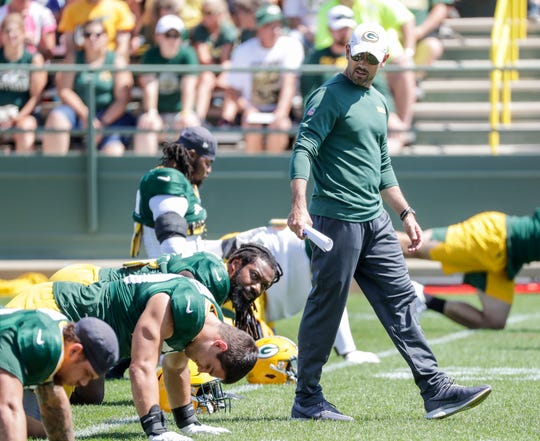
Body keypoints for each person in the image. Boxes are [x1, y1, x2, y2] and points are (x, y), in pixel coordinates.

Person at [286, 22, 491, 421]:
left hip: (375, 222)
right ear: (348, 51)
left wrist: (406, 213)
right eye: (358, 55)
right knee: (327, 307)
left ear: (385, 61)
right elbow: (304, 148)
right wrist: (299, 205)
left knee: (402, 301)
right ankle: (307, 399)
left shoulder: (379, 101)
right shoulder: (327, 95)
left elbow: (382, 166)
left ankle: (435, 389)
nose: (362, 64)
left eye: (371, 59)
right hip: (336, 219)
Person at [7, 273, 258, 439]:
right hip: (53, 312)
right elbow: (141, 366)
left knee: (84, 400)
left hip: (88, 338)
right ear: (219, 345)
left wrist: (188, 423)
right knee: (22, 420)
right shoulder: (180, 307)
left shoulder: (207, 320)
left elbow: (175, 366)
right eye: (210, 368)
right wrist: (156, 430)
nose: (202, 371)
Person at [216, 221, 381, 364]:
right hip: (239, 278)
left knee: (269, 351)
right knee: (249, 349)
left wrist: (348, 350)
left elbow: (332, 297)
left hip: (263, 300)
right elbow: (225, 250)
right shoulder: (261, 246)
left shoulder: (319, 253)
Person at [397, 208, 540, 329]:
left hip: (507, 263)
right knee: (411, 246)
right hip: (494, 236)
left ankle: (423, 297)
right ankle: (381, 234)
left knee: (495, 321)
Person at [300, 4, 406, 154]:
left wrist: (391, 114)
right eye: (339, 28)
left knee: (393, 142)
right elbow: (308, 93)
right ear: (330, 29)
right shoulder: (315, 57)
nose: (344, 32)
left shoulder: (367, 58)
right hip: (326, 114)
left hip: (360, 114)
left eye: (347, 27)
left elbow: (381, 89)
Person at [0, 308, 119, 440]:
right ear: (75, 351)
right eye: (86, 373)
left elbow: (55, 406)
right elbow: (9, 409)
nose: (83, 383)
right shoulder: (44, 346)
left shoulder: (60, 339)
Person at [42, 18, 136, 156]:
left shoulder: (116, 60)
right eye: (87, 34)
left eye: (98, 34)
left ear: (106, 37)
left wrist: (101, 123)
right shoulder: (74, 58)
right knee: (56, 118)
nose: (92, 38)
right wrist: (86, 115)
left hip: (109, 117)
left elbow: (122, 99)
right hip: (78, 113)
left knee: (114, 151)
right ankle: (53, 168)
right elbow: (65, 90)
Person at [221, 4, 304, 152]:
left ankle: (273, 165)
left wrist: (281, 112)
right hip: (252, 109)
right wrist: (248, 108)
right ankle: (254, 165)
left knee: (280, 126)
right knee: (252, 125)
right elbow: (233, 90)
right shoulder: (243, 51)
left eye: (278, 25)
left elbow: (289, 82)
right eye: (270, 26)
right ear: (259, 28)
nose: (276, 30)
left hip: (282, 109)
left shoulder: (291, 46)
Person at [131, 126, 217, 258]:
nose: (209, 170)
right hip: (177, 268)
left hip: (187, 262)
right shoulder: (169, 180)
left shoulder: (183, 181)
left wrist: (232, 244)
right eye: (207, 162)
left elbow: (192, 245)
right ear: (192, 155)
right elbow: (172, 249)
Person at [133, 14, 200, 155]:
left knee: (190, 124)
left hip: (179, 112)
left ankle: (189, 169)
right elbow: (150, 85)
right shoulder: (151, 54)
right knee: (147, 123)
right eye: (168, 35)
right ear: (158, 37)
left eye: (176, 35)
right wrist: (151, 112)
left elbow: (189, 86)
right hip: (159, 113)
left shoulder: (188, 54)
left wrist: (186, 112)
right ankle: (147, 168)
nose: (172, 39)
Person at [0, 12, 47, 154]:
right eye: (7, 31)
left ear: (23, 33)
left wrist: (17, 118)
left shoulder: (33, 60)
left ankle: (24, 167)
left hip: (24, 114)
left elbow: (36, 97)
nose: (11, 35)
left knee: (25, 128)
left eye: (15, 31)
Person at [190, 0, 238, 124]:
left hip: (224, 68)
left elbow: (225, 58)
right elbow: (204, 58)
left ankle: (226, 121)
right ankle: (199, 120)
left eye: (209, 13)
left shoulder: (228, 30)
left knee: (229, 81)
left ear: (220, 14)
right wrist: (213, 75)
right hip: (205, 69)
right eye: (204, 12)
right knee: (206, 79)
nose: (205, 16)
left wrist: (223, 75)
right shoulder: (199, 30)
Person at [56, 0, 135, 64]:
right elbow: (70, 47)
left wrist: (117, 65)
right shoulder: (72, 10)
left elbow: (123, 45)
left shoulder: (119, 8)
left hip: (111, 61)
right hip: (82, 62)